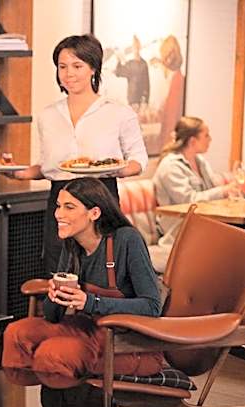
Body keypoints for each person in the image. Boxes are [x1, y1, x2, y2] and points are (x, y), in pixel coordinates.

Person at [2, 177, 164, 381]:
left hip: (127, 342)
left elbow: (152, 306)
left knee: (52, 353)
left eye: (69, 207)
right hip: (88, 328)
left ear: (94, 213)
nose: (58, 214)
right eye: (58, 206)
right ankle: (25, 392)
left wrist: (90, 302)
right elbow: (52, 317)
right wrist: (55, 295)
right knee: (16, 333)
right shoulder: (71, 243)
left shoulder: (126, 239)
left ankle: (65, 393)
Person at [10, 33, 148, 272]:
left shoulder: (118, 113)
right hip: (61, 198)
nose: (68, 73)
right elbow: (47, 166)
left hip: (101, 197)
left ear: (93, 68)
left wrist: (113, 168)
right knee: (59, 270)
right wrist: (18, 173)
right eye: (62, 67)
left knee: (102, 271)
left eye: (77, 66)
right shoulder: (47, 116)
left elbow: (138, 160)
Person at [150, 116, 237, 271]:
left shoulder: (200, 162)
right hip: (180, 230)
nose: (210, 139)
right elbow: (189, 200)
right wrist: (222, 191)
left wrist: (228, 191)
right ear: (192, 141)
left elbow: (212, 187)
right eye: (206, 135)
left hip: (206, 225)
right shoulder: (170, 167)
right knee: (240, 241)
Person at [155, 35, 185, 152]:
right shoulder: (168, 76)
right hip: (166, 127)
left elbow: (172, 115)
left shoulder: (177, 79)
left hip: (170, 132)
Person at [115, 35, 150, 107]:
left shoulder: (144, 64)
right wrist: (118, 60)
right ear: (132, 48)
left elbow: (146, 84)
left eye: (137, 46)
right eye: (134, 46)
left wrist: (145, 100)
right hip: (131, 101)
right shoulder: (130, 64)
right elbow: (118, 72)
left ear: (139, 47)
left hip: (141, 102)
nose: (136, 48)